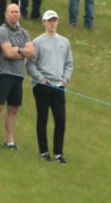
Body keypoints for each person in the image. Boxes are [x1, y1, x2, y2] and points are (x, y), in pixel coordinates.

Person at [27, 10, 73, 163]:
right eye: (49, 20)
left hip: (59, 85)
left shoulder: (65, 42)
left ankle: (58, 153)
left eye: (54, 20)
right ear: (44, 22)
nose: (52, 23)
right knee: (43, 118)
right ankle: (44, 151)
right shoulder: (37, 42)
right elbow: (31, 65)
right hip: (42, 85)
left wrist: (65, 79)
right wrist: (40, 79)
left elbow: (69, 64)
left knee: (61, 120)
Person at [0, 2, 35, 150]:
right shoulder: (2, 31)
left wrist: (17, 50)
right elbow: (7, 53)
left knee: (13, 109)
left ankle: (10, 141)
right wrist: (22, 52)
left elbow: (32, 51)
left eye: (17, 12)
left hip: (18, 74)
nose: (15, 14)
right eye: (12, 12)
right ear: (6, 15)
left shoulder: (24, 32)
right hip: (3, 73)